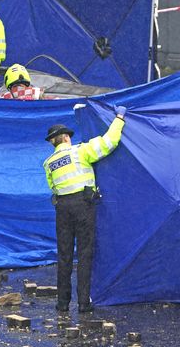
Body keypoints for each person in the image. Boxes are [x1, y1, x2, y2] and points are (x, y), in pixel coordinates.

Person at [43, 105, 127, 313]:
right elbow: (109, 142)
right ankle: (83, 303)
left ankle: (62, 303)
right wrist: (119, 118)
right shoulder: (80, 151)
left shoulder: (49, 163)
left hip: (62, 208)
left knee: (64, 255)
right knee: (85, 253)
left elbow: (53, 187)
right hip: (83, 205)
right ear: (65, 138)